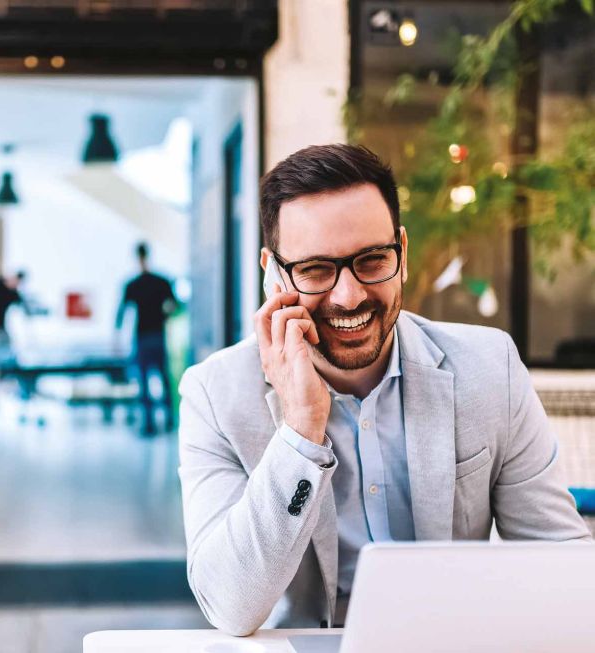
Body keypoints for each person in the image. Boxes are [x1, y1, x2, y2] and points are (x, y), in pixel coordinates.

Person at [178, 144, 592, 635]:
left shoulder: (489, 367)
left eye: (372, 260)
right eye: (315, 269)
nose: (348, 295)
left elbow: (560, 566)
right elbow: (229, 605)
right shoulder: (215, 395)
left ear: (402, 251)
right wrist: (300, 432)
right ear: (273, 274)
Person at [117, 242, 178, 435]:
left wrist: (117, 335)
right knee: (162, 377)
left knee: (144, 380)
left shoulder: (133, 284)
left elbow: (121, 313)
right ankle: (168, 420)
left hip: (143, 337)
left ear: (137, 257)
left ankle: (149, 424)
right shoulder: (161, 282)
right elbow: (174, 305)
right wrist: (164, 316)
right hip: (157, 335)